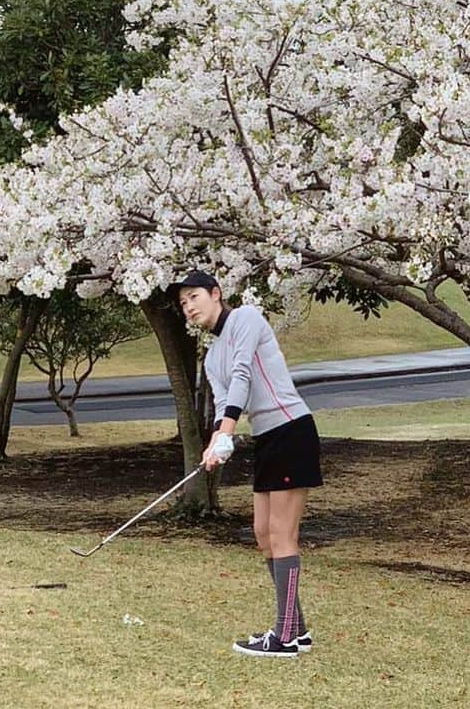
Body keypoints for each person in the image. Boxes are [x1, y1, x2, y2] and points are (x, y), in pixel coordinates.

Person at [175, 269, 323, 659]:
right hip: (267, 438)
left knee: (282, 532)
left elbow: (242, 376)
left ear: (216, 293)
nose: (189, 306)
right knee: (262, 533)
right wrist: (216, 443)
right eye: (183, 302)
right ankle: (297, 628)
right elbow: (225, 400)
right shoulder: (210, 357)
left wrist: (226, 430)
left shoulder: (246, 318)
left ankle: (285, 635)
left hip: (291, 428)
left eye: (194, 297)